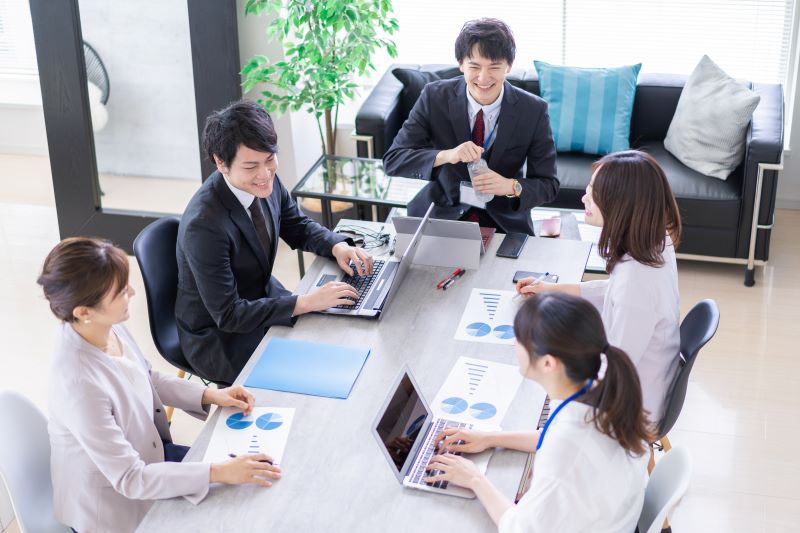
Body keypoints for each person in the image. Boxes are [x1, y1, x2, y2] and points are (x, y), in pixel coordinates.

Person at [38, 237, 282, 533]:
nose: (132, 292)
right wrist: (220, 473)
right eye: (120, 292)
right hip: (117, 508)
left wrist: (211, 395)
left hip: (152, 459)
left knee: (255, 484)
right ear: (83, 312)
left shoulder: (107, 326)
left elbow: (147, 376)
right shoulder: (78, 385)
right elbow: (130, 478)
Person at [177, 100, 373, 386]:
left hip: (260, 298)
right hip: (221, 336)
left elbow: (296, 226)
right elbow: (229, 314)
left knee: (340, 335)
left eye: (270, 159)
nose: (265, 174)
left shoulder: (263, 180)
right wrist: (306, 302)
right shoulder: (204, 226)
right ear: (221, 162)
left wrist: (337, 246)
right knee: (316, 374)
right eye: (251, 166)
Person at [426, 293, 652, 532]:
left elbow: (518, 529)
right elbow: (551, 434)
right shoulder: (594, 388)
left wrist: (474, 479)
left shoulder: (564, 453)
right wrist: (490, 438)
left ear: (548, 363)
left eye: (519, 339)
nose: (514, 343)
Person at [516, 149, 681, 426]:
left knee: (529, 387)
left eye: (593, 194)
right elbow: (613, 292)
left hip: (630, 408)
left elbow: (614, 369)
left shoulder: (636, 284)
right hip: (645, 379)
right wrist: (551, 289)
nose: (584, 198)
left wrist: (559, 376)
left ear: (620, 204)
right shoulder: (654, 242)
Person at [383, 18, 558, 235]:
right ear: (461, 64)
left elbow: (548, 185)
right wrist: (447, 155)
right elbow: (394, 160)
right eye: (474, 66)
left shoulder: (533, 110)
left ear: (508, 67)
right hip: (443, 212)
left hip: (504, 222)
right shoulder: (433, 97)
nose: (483, 78)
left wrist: (510, 186)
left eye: (494, 67)